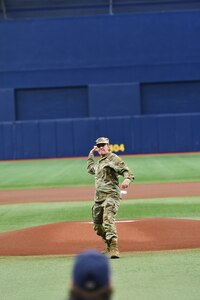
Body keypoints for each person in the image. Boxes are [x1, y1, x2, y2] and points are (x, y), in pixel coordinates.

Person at [87, 137, 134, 259]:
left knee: (108, 219)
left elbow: (126, 171)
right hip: (99, 198)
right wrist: (91, 154)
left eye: (103, 145)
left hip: (111, 195)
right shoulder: (99, 163)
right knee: (97, 226)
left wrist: (127, 180)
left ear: (108, 146)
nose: (101, 147)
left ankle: (114, 248)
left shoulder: (113, 158)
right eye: (99, 145)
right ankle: (107, 243)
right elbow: (90, 169)